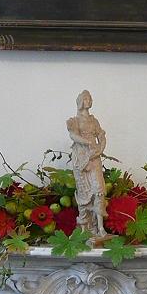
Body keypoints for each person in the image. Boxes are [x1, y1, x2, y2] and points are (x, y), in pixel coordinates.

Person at [66, 90, 108, 238]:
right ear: (80, 102)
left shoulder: (94, 120)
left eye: (90, 98)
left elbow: (101, 135)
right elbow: (73, 135)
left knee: (99, 189)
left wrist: (101, 148)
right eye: (86, 99)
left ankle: (100, 227)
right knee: (84, 191)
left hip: (94, 157)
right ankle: (85, 227)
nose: (89, 101)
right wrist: (88, 142)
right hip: (81, 158)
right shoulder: (74, 121)